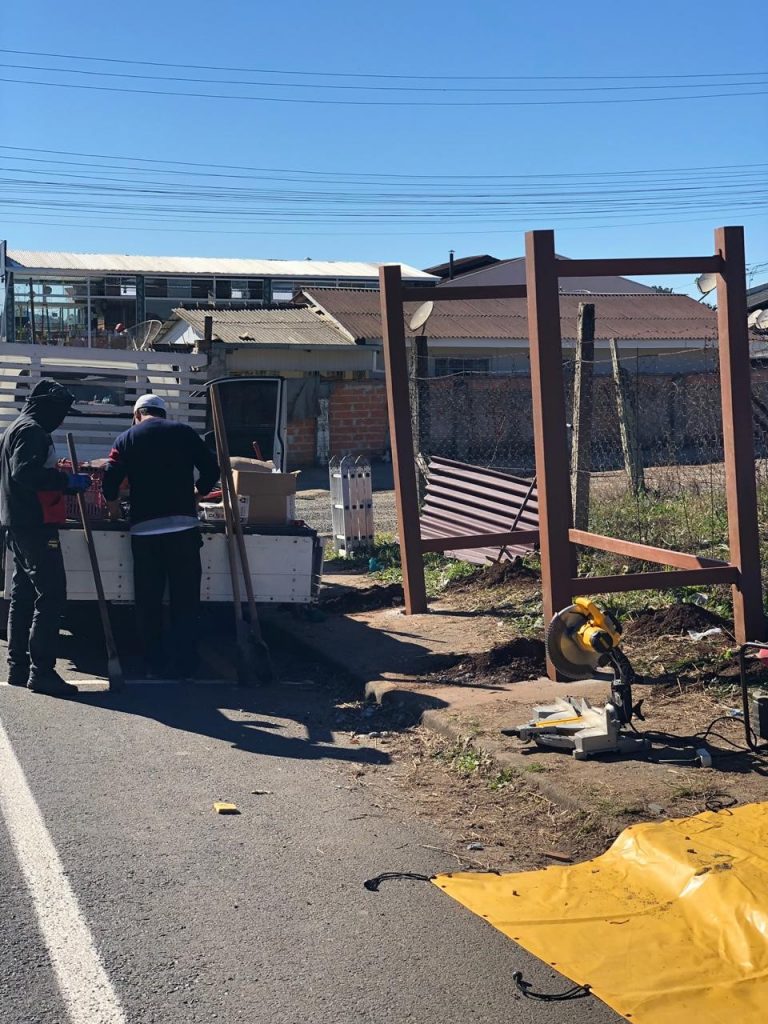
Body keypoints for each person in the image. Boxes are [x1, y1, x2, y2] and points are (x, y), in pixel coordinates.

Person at [102, 394, 219, 679]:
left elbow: (109, 479)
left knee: (149, 600)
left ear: (138, 413)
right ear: (162, 413)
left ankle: (154, 662)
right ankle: (186, 664)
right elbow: (212, 468)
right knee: (186, 600)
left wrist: (114, 507)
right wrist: (198, 492)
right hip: (183, 529)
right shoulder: (184, 432)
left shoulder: (126, 438)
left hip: (145, 531)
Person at [0, 379, 90, 695]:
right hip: (34, 525)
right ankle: (41, 672)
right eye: (62, 411)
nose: (63, 418)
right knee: (51, 595)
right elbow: (24, 472)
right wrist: (65, 482)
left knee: (23, 596)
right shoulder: (31, 431)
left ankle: (17, 668)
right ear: (48, 406)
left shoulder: (16, 428)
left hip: (18, 522)